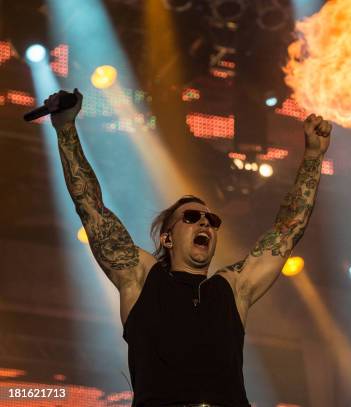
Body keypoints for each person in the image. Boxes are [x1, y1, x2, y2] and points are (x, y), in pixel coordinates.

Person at [45, 89, 332, 407]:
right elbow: (91, 208)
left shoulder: (232, 288)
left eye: (212, 220)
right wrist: (65, 128)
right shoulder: (141, 278)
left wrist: (313, 157)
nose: (205, 224)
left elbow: (287, 231)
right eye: (192, 217)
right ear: (167, 238)